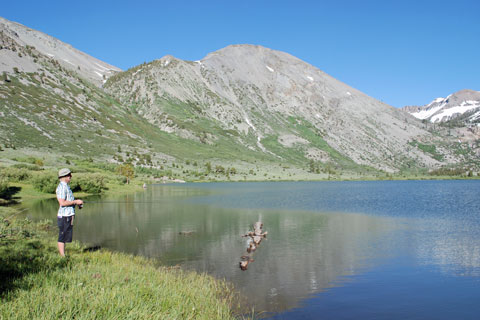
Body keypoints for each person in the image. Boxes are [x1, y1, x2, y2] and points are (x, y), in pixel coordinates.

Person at [56, 168, 83, 257]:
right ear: (64, 177)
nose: (71, 176)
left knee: (65, 236)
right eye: (69, 175)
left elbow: (68, 201)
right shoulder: (62, 187)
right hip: (64, 216)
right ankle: (62, 256)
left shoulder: (66, 186)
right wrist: (75, 202)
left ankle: (63, 254)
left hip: (68, 215)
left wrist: (77, 203)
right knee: (62, 236)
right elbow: (62, 203)